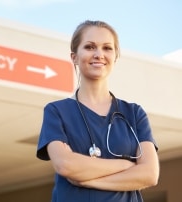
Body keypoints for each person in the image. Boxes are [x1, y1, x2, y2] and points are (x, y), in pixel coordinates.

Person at [36, 20, 159, 202]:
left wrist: (88, 181)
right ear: (74, 57)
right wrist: (126, 165)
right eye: (90, 47)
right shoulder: (57, 112)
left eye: (107, 48)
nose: (99, 54)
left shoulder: (134, 113)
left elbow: (149, 174)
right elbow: (66, 165)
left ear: (115, 56)